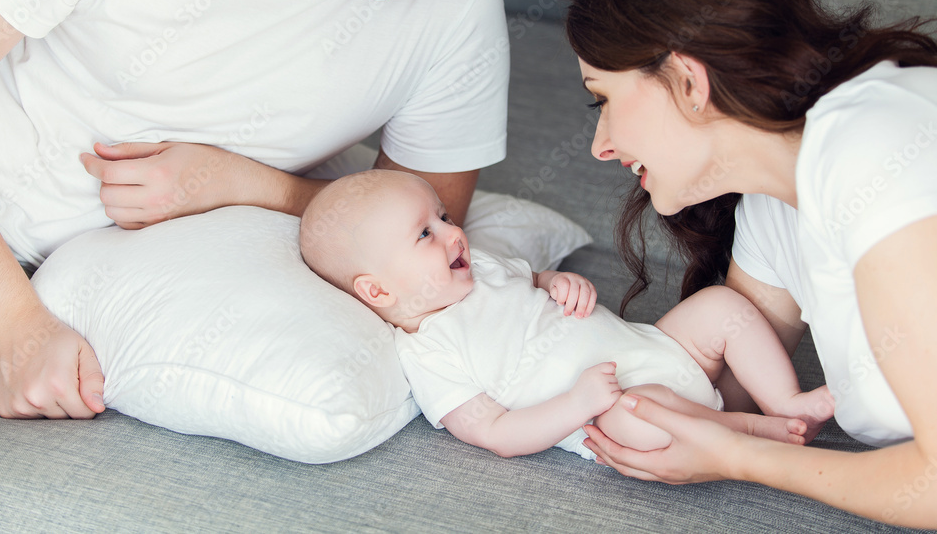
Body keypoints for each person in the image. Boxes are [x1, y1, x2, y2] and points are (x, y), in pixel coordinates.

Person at [0, 0, 535, 421]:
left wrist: (246, 184)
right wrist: (16, 323)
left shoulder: (459, 1)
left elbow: (424, 241)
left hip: (119, 293)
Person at [565, 0, 937, 527]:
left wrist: (741, 457)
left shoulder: (877, 150)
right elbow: (707, 389)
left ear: (687, 80)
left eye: (602, 98)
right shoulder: (777, 204)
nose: (599, 145)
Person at [299, 169, 834, 459]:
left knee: (720, 306)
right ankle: (743, 428)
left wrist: (561, 283)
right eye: (425, 234)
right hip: (616, 410)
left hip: (662, 349)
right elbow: (496, 434)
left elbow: (535, 280)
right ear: (377, 290)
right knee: (636, 415)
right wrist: (577, 404)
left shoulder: (479, 266)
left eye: (441, 216)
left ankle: (785, 398)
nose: (452, 232)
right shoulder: (428, 351)